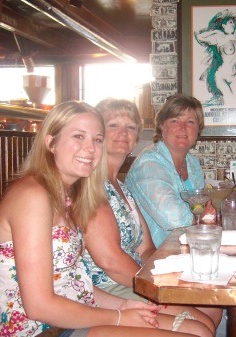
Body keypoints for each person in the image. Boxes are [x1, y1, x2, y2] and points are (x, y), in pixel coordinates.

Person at [0, 101, 210, 337]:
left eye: (97, 139)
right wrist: (120, 315)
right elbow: (39, 306)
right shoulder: (32, 196)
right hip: (38, 330)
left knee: (198, 328)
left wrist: (123, 305)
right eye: (78, 137)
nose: (90, 148)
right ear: (51, 143)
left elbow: (73, 282)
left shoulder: (70, 196)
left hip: (73, 315)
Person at [81, 98, 218, 333]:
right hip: (104, 288)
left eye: (131, 127)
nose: (123, 133)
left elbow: (145, 248)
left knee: (210, 312)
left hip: (138, 275)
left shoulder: (120, 187)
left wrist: (168, 276)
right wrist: (159, 286)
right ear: (98, 133)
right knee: (200, 328)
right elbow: (110, 262)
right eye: (113, 125)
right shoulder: (90, 185)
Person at [125, 94, 214, 248]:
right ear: (161, 126)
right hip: (151, 257)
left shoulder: (193, 164)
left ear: (197, 129)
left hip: (185, 250)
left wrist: (203, 216)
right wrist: (201, 218)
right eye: (174, 121)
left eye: (190, 122)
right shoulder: (148, 163)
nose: (182, 128)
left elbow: (204, 207)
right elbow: (174, 218)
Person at [195, 11, 236, 106]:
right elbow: (199, 37)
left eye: (233, 22)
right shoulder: (219, 38)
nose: (233, 24)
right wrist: (215, 31)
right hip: (221, 76)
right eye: (230, 22)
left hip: (235, 76)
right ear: (224, 26)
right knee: (228, 99)